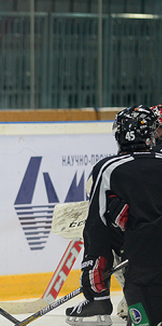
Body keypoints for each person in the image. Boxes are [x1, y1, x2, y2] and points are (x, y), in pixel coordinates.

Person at [65, 105, 162, 326]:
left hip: (142, 270)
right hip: (145, 265)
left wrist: (96, 293)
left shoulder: (108, 168)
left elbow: (96, 228)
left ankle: (104, 300)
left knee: (142, 322)